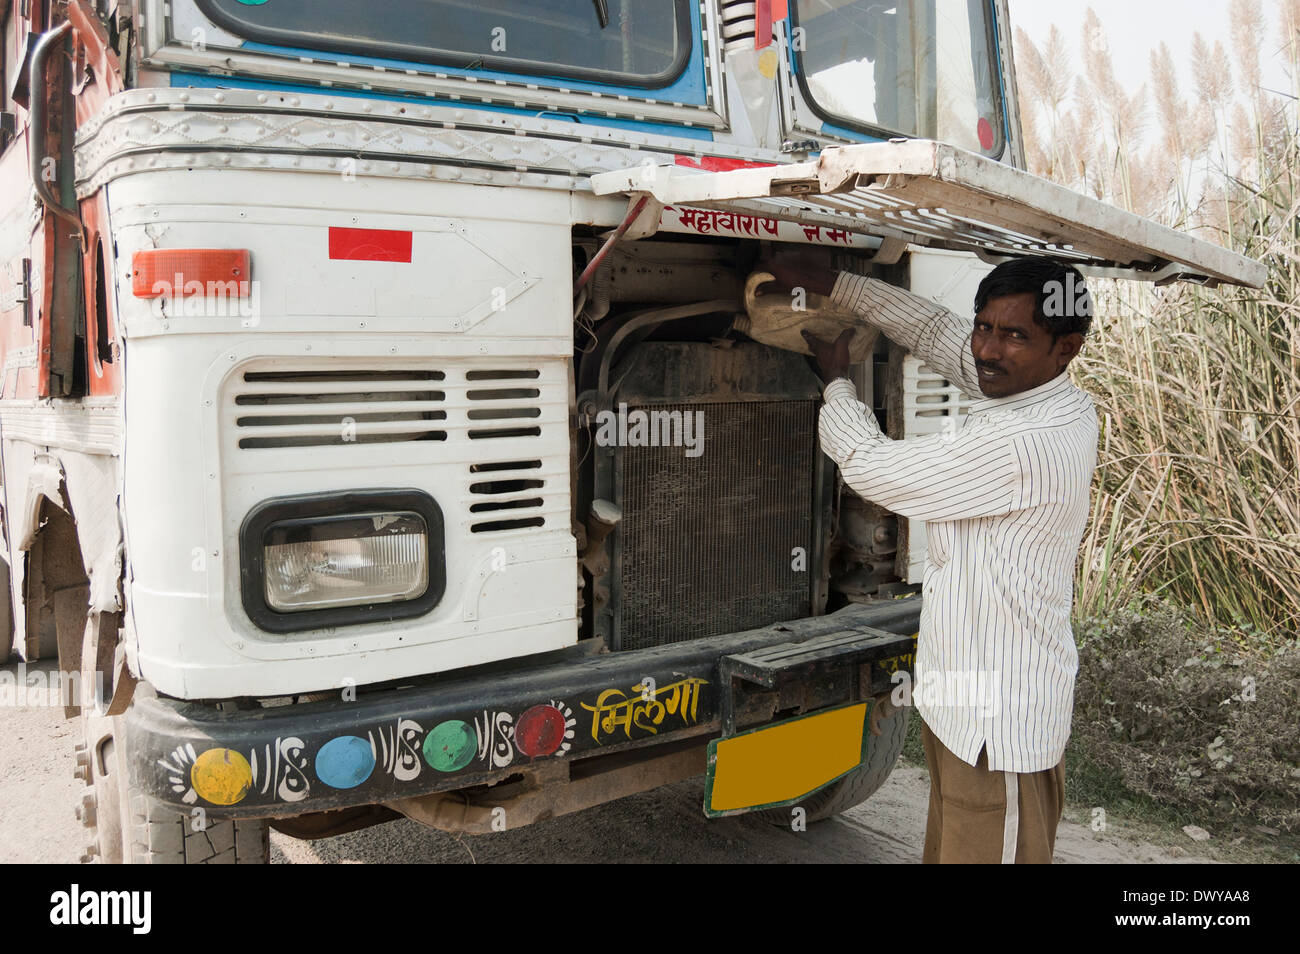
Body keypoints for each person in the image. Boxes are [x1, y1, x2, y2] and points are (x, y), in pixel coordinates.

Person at [764, 252, 1098, 864]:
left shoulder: (1030, 440)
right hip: (961, 708)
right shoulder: (1035, 393)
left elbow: (876, 467)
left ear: (1066, 348)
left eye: (1015, 335)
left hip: (1000, 729)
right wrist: (832, 280)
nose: (988, 351)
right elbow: (935, 332)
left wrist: (837, 379)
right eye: (986, 327)